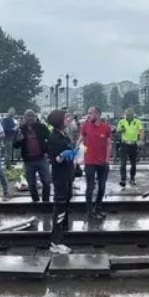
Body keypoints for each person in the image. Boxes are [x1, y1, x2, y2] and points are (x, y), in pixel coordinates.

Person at [47, 109, 79, 254]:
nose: (67, 119)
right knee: (59, 207)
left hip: (67, 175)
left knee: (65, 203)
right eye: (65, 118)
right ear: (58, 121)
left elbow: (69, 153)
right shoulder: (54, 138)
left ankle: (62, 234)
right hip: (60, 177)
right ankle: (56, 242)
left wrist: (76, 154)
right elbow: (55, 160)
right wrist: (62, 155)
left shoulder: (64, 135)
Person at [78, 106, 112, 219]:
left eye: (90, 113)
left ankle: (98, 208)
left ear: (97, 115)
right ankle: (89, 211)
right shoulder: (86, 126)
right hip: (89, 162)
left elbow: (108, 144)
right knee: (90, 187)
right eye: (88, 113)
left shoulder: (106, 127)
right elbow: (80, 140)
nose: (88, 115)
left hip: (102, 163)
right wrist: (76, 155)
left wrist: (107, 159)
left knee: (102, 187)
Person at [14, 109, 51, 203]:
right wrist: (18, 140)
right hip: (28, 161)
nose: (30, 118)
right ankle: (36, 202)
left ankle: (46, 201)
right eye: (28, 116)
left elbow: (50, 139)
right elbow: (15, 145)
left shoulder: (41, 127)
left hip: (41, 159)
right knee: (31, 184)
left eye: (32, 116)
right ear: (24, 117)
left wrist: (48, 150)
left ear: (35, 117)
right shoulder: (20, 129)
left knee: (46, 182)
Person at [116, 108, 145, 187]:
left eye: (129, 114)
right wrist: (121, 130)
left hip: (133, 145)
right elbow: (117, 131)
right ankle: (123, 179)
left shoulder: (137, 121)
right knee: (123, 163)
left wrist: (141, 140)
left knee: (133, 164)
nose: (128, 116)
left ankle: (132, 178)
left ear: (133, 115)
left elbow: (141, 131)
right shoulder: (122, 121)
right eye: (127, 114)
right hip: (124, 144)